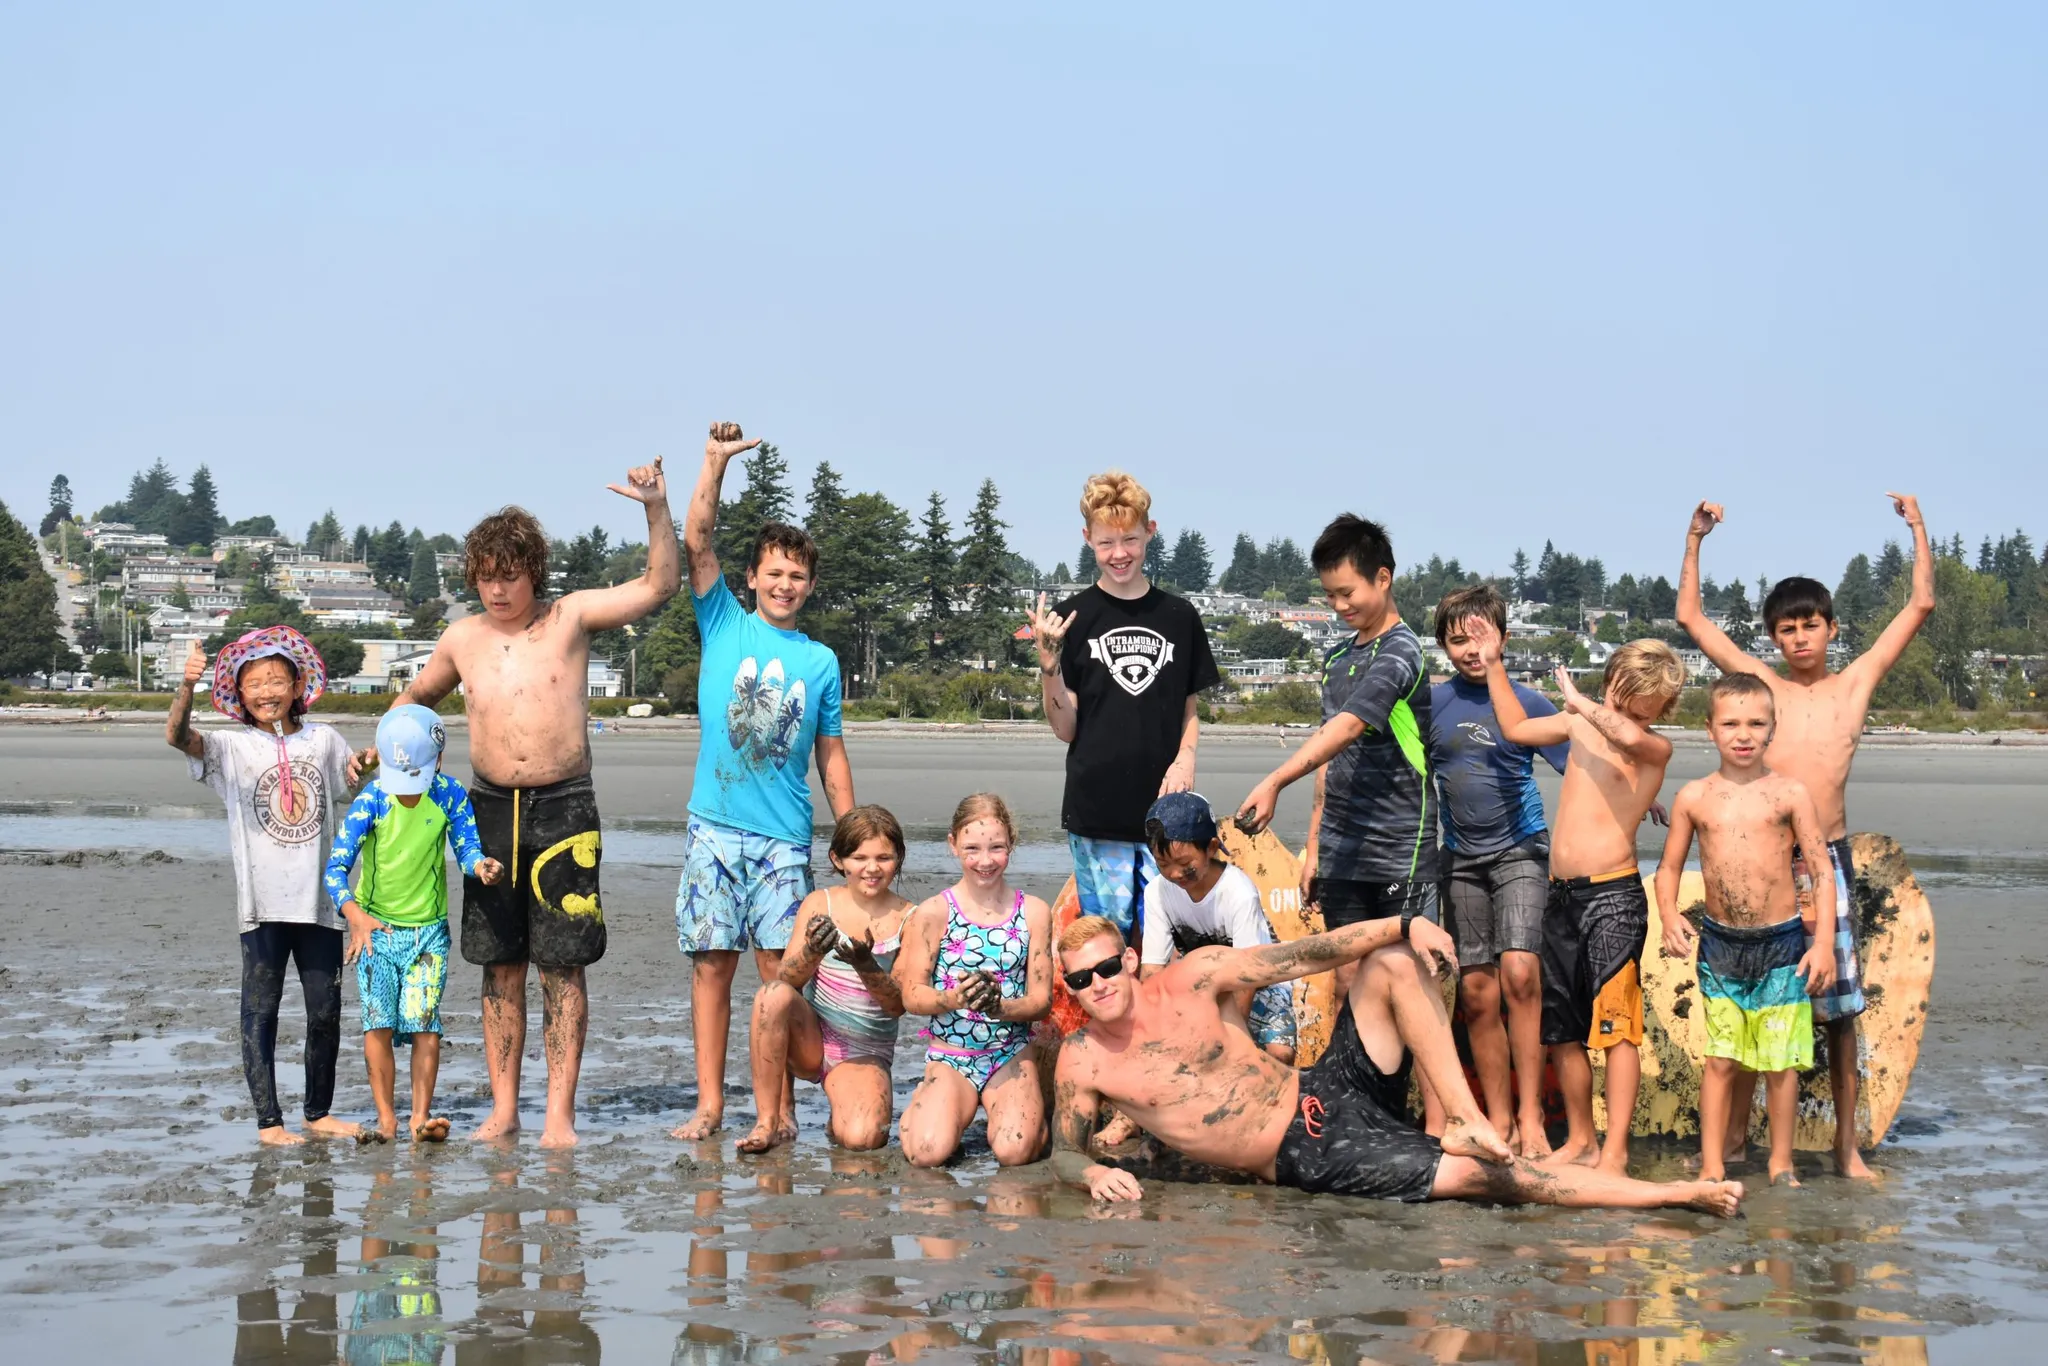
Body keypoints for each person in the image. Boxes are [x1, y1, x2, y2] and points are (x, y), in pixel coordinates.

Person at [363, 451, 678, 1147]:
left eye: (509, 577)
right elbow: (416, 699)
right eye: (485, 578)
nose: (497, 591)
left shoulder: (569, 619)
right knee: (498, 962)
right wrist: (381, 746)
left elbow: (659, 585)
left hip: (564, 805)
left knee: (562, 964)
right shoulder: (463, 637)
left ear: (534, 571)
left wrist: (655, 507)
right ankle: (505, 1110)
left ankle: (558, 1116)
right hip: (486, 811)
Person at [1048, 913, 1743, 1217]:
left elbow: (1307, 955)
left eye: (1107, 967)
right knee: (1495, 1181)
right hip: (1304, 1149)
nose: (1098, 985)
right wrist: (1095, 1169)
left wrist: (1403, 924)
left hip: (1320, 1085)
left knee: (1388, 963)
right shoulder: (1086, 1061)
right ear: (1070, 989)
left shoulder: (1198, 976)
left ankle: (1465, 1117)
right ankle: (1676, 1196)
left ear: (1129, 959)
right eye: (1080, 980)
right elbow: (1061, 1155)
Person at [1678, 493, 1933, 1180]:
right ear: (1774, 638)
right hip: (1756, 861)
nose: (1799, 638)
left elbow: (1918, 609)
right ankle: (1731, 1146)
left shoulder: (1854, 685)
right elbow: (1691, 619)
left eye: (1810, 625)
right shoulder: (1762, 687)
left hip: (1827, 864)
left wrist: (1917, 528)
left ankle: (1847, 1149)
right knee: (1746, 1008)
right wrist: (1696, 537)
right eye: (1787, 629)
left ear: (1831, 628)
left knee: (1837, 1014)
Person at [672, 421, 857, 1141]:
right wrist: (715, 462)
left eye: (798, 576)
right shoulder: (722, 623)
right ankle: (711, 1106)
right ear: (753, 578)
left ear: (810, 586)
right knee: (711, 969)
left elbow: (830, 755)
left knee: (783, 977)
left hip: (783, 838)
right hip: (713, 830)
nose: (785, 585)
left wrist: (850, 832)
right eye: (774, 573)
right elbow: (697, 539)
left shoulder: (820, 662)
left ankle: (774, 1112)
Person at [1468, 621, 1684, 1175]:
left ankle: (1615, 1152)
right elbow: (1514, 728)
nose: (1631, 715)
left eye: (1646, 708)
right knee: (1561, 1029)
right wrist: (1495, 664)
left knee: (1617, 1028)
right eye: (1626, 700)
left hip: (1612, 897)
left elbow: (1631, 738)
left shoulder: (1654, 745)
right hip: (1560, 895)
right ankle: (1583, 1139)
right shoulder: (1579, 723)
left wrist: (1585, 705)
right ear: (1613, 681)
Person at [166, 629, 363, 1146]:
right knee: (261, 1010)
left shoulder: (322, 739)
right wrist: (185, 688)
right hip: (261, 906)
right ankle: (269, 1123)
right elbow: (177, 737)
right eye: (254, 683)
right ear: (238, 693)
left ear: (299, 684)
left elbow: (352, 782)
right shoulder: (230, 747)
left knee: (325, 1012)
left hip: (319, 905)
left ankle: (318, 1113)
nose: (267, 691)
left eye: (277, 679)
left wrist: (368, 762)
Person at [1657, 673, 1837, 1186]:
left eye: (1756, 723)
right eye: (1731, 723)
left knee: (1782, 1064)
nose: (1743, 734)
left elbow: (1821, 871)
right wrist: (1669, 915)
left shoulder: (1789, 794)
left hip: (1781, 944)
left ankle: (1781, 1162)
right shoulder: (1695, 797)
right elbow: (1669, 868)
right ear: (1710, 728)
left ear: (1772, 729)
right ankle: (1714, 1162)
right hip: (1721, 946)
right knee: (1721, 1060)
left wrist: (1821, 943)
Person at [1237, 515, 1439, 970]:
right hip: (1341, 852)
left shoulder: (1402, 650)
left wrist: (1275, 781)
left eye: (1347, 593)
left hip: (1398, 850)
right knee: (1349, 981)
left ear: (1383, 578)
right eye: (1329, 595)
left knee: (1404, 978)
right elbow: (1331, 752)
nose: (1338, 606)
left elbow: (1349, 725)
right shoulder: (1337, 657)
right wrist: (1315, 850)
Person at [1026, 470, 1220, 940]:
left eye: (1130, 539)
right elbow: (1066, 730)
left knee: (1169, 940)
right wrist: (1050, 667)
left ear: (1150, 533)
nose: (1119, 554)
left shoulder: (1180, 616)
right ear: (1087, 538)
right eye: (1106, 542)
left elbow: (1188, 708)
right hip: (1097, 812)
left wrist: (1185, 758)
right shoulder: (1070, 617)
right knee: (1109, 942)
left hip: (1167, 815)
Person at [1429, 584, 1570, 1158]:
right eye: (1457, 639)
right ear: (1442, 645)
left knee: (1520, 975)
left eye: (1482, 638)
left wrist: (1645, 802)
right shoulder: (1432, 704)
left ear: (1504, 640)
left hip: (1521, 850)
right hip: (1459, 858)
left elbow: (1584, 765)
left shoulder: (1528, 702)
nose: (1470, 649)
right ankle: (1500, 1118)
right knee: (1480, 993)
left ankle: (1534, 1117)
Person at [325, 704, 504, 1143]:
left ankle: (419, 1117)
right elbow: (335, 870)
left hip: (427, 933)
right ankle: (386, 1119)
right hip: (376, 931)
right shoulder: (372, 798)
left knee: (425, 1022)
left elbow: (466, 848)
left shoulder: (448, 794)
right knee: (377, 1022)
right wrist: (355, 915)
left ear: (438, 761)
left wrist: (481, 867)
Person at [738, 805, 911, 1154]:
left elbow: (898, 1005)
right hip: (813, 1038)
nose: (872, 868)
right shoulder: (821, 902)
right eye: (859, 857)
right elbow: (787, 978)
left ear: (898, 858)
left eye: (883, 857)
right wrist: (812, 952)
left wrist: (866, 964)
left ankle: (841, 1114)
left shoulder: (909, 917)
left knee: (863, 1139)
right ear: (838, 859)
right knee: (771, 995)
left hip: (865, 1050)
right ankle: (767, 1121)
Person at [893, 793, 1054, 1167]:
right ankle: (928, 1108)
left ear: (1011, 844)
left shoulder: (1033, 912)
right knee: (926, 1153)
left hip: (1009, 1051)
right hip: (952, 1055)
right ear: (952, 845)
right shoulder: (933, 912)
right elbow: (912, 996)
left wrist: (1001, 1008)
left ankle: (1031, 1116)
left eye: (996, 848)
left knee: (1014, 1151)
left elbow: (1042, 1001)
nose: (985, 861)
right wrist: (955, 999)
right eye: (972, 848)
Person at [1138, 792, 1296, 1065]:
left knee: (1278, 1054)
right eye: (1163, 864)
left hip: (1259, 982)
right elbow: (1152, 971)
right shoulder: (1157, 893)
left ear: (1211, 848)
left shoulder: (1238, 893)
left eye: (1185, 865)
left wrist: (1232, 1040)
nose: (1175, 874)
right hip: (1199, 982)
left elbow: (1247, 977)